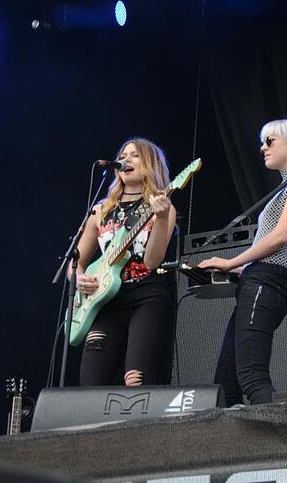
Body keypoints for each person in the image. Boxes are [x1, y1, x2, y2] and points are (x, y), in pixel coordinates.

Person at [198, 118, 287, 406]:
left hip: (265, 283)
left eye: (270, 141)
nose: (263, 148)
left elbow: (280, 237)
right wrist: (243, 268)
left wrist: (231, 263)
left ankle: (281, 433)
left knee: (252, 376)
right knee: (226, 380)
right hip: (262, 279)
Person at [74, 138, 177, 387]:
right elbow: (75, 261)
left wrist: (162, 218)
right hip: (105, 301)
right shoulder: (100, 211)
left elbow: (152, 261)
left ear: (151, 164)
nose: (126, 160)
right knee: (90, 382)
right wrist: (78, 279)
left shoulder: (162, 207)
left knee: (136, 379)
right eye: (123, 155)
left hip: (146, 296)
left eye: (135, 155)